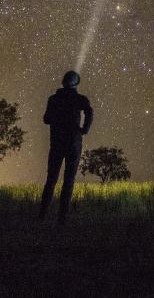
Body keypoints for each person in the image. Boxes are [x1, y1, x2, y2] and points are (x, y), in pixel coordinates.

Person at [39, 70, 93, 223]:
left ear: (63, 82)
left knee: (51, 179)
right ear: (76, 84)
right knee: (69, 180)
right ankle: (62, 217)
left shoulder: (54, 99)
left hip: (57, 142)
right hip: (74, 143)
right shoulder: (80, 99)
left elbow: (46, 119)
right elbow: (90, 112)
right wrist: (84, 129)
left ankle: (42, 215)